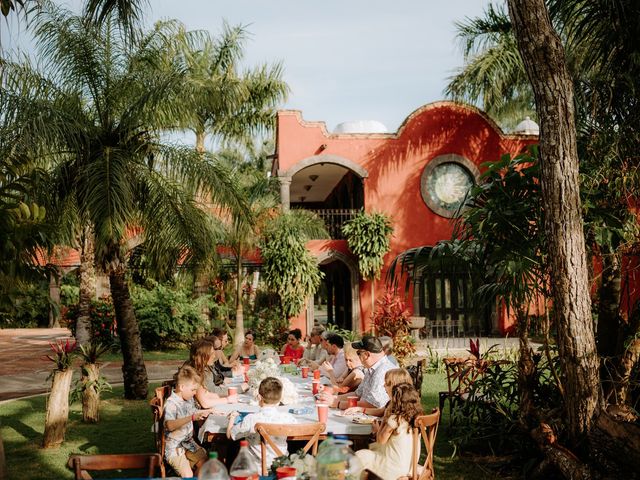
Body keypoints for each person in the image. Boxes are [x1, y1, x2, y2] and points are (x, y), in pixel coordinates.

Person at [226, 377, 298, 472]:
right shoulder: (288, 419)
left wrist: (232, 417)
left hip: (255, 469)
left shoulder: (251, 419)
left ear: (259, 397)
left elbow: (230, 435)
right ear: (280, 398)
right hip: (281, 468)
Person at [355, 382, 423, 479]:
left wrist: (383, 421)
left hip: (392, 469)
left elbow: (380, 440)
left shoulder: (395, 419)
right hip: (410, 466)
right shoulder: (418, 418)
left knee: (360, 456)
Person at [164, 366, 217, 478]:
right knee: (188, 475)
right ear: (182, 387)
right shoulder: (171, 404)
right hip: (175, 448)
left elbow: (194, 411)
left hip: (188, 443)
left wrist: (208, 411)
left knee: (207, 464)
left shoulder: (187, 399)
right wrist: (192, 417)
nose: (194, 393)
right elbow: (169, 425)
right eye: (193, 390)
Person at [319, 335, 395, 410]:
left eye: (358, 353)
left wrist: (337, 403)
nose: (358, 357)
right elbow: (357, 394)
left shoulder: (381, 371)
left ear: (367, 355)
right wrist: (334, 398)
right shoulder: (372, 368)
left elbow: (372, 404)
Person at [186, 338, 238, 408]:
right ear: (202, 356)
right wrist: (227, 399)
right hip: (193, 414)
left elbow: (207, 394)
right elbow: (205, 402)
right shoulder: (193, 373)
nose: (214, 356)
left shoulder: (201, 368)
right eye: (212, 353)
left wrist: (228, 396)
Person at [344, 368, 413, 417]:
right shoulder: (392, 403)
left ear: (395, 386)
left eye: (387, 384)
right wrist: (360, 409)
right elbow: (380, 412)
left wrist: (376, 429)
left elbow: (384, 435)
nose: (384, 385)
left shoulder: (399, 409)